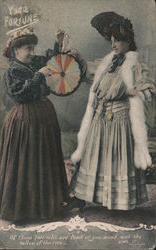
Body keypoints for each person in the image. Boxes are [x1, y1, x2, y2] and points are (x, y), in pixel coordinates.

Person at [64, 12, 156, 211]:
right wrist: (75, 54)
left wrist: (135, 91)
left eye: (118, 41)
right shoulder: (108, 63)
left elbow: (148, 88)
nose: (113, 45)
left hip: (120, 119)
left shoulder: (135, 64)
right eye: (112, 41)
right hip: (100, 117)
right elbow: (88, 70)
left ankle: (117, 202)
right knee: (91, 157)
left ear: (127, 42)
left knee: (116, 159)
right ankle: (80, 198)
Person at [0, 27, 69, 224]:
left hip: (43, 117)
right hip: (25, 120)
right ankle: (23, 208)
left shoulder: (34, 62)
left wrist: (58, 41)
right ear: (16, 51)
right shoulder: (12, 71)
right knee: (26, 162)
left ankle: (45, 205)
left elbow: (51, 59)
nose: (31, 52)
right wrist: (38, 75)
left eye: (32, 48)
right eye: (28, 49)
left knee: (44, 160)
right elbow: (20, 94)